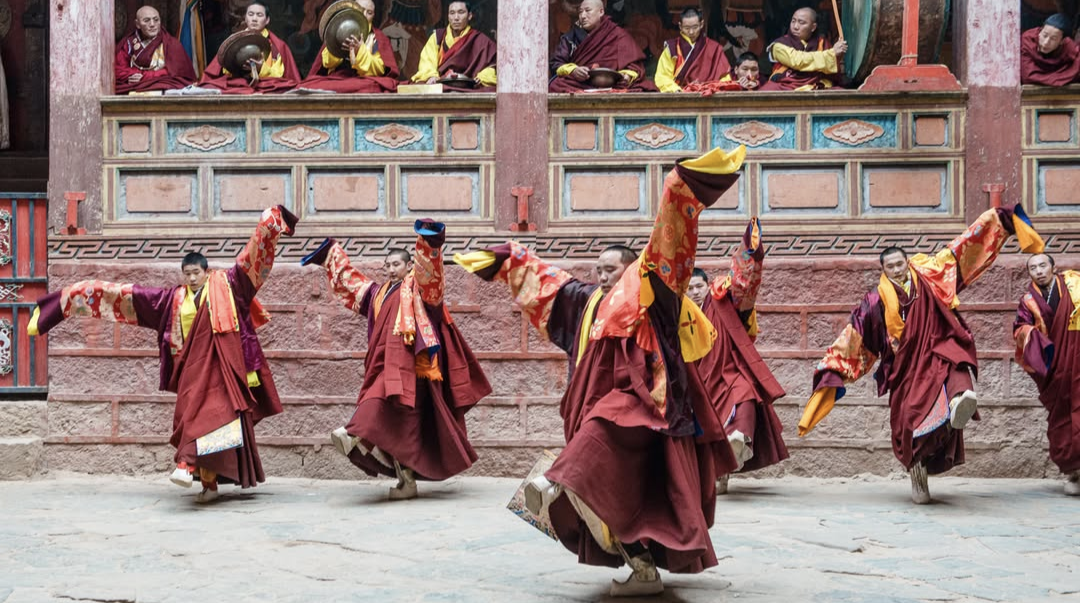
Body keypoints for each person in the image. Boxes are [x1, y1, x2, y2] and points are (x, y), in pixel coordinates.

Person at [454, 145, 746, 596]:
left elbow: (669, 239)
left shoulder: (655, 289)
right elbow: (548, 281)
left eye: (610, 269)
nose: (603, 275)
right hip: (596, 401)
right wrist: (507, 261)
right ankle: (642, 569)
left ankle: (553, 484)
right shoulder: (587, 300)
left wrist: (679, 188)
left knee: (596, 450)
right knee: (624, 493)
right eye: (599, 269)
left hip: (644, 405)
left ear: (631, 268)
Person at [27, 206, 298, 502]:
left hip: (222, 372)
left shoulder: (229, 287)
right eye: (187, 274)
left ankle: (185, 465)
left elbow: (252, 259)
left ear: (207, 272)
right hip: (192, 374)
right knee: (203, 422)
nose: (192, 278)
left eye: (197, 273)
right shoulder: (172, 300)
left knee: (207, 419)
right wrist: (72, 297)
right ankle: (208, 482)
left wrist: (269, 225)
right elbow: (126, 296)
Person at [799, 205, 1045, 504]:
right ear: (884, 269)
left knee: (957, 368)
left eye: (900, 263)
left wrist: (1001, 220)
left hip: (939, 346)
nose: (897, 268)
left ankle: (959, 403)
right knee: (910, 423)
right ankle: (919, 481)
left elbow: (963, 248)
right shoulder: (875, 300)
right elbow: (854, 337)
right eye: (890, 266)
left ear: (907, 262)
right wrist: (832, 369)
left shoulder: (930, 274)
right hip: (905, 369)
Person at [301, 220, 491, 500]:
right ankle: (406, 482)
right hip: (385, 365)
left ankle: (356, 434)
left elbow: (432, 275)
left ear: (408, 267)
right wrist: (330, 256)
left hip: (414, 369)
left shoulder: (419, 289)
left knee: (381, 408)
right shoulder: (379, 293)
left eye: (395, 265)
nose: (390, 270)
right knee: (400, 428)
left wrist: (429, 242)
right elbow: (352, 284)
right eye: (386, 265)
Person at [686, 218, 787, 494]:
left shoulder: (722, 301)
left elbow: (744, 284)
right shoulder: (680, 314)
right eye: (688, 289)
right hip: (701, 381)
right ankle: (719, 470)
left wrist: (750, 250)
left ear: (707, 286)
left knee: (746, 396)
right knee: (705, 427)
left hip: (730, 372)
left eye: (698, 287)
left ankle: (738, 443)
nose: (694, 293)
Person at [1013, 253, 1080, 496]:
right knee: (1062, 418)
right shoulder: (1028, 300)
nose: (1039, 271)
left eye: (1043, 265)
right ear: (1029, 273)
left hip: (1078, 359)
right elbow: (1019, 328)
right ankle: (1073, 471)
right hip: (1055, 369)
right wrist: (1031, 334)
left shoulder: (1075, 286)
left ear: (1054, 267)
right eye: (1033, 268)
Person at [549, 0, 655, 93]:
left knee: (643, 87)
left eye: (588, 11)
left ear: (601, 12)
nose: (583, 16)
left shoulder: (617, 34)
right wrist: (573, 70)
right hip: (580, 83)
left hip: (614, 84)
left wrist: (626, 75)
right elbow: (556, 64)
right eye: (580, 12)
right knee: (556, 85)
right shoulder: (571, 37)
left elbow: (635, 66)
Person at [302, 0, 399, 93]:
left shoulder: (377, 37)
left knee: (372, 88)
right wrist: (338, 45)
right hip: (337, 79)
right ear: (353, 10)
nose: (364, 15)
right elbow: (327, 63)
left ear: (373, 16)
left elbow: (380, 70)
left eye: (369, 12)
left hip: (363, 80)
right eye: (360, 10)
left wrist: (360, 52)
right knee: (309, 86)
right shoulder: (337, 30)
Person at [198, 2, 301, 94]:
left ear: (267, 20)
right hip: (238, 84)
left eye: (259, 15)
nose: (254, 19)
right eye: (251, 14)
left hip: (267, 85)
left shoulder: (277, 45)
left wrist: (261, 68)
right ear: (246, 18)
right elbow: (224, 70)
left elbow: (278, 74)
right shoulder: (234, 41)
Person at [410, 0, 497, 92]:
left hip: (468, 85)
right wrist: (431, 75)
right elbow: (427, 61)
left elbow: (494, 64)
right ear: (448, 16)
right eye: (452, 13)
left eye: (461, 12)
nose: (456, 17)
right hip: (441, 82)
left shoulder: (480, 40)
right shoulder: (437, 37)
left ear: (469, 16)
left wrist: (484, 76)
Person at [114, 5, 196, 94]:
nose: (152, 24)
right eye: (146, 20)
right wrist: (131, 76)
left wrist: (144, 76)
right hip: (136, 85)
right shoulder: (129, 43)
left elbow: (176, 72)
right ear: (137, 24)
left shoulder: (171, 44)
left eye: (156, 20)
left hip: (160, 85)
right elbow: (117, 70)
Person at [761, 7, 846, 90]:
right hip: (787, 85)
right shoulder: (778, 45)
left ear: (813, 27)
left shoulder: (822, 43)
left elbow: (832, 70)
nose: (795, 26)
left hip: (816, 85)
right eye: (793, 21)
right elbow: (797, 61)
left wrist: (838, 54)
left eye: (801, 23)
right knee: (768, 89)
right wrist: (832, 54)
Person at [654, 8, 735, 93]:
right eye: (687, 28)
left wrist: (711, 88)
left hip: (708, 95)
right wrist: (677, 90)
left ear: (701, 24)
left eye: (695, 27)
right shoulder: (673, 48)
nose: (691, 32)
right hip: (679, 96)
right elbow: (662, 76)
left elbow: (725, 77)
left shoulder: (714, 48)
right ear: (680, 26)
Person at [1020, 13, 1080, 86]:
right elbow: (1027, 77)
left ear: (1062, 41)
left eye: (1053, 39)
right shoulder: (1027, 40)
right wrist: (1062, 78)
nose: (1046, 42)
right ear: (1040, 32)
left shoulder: (1069, 47)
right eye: (1044, 35)